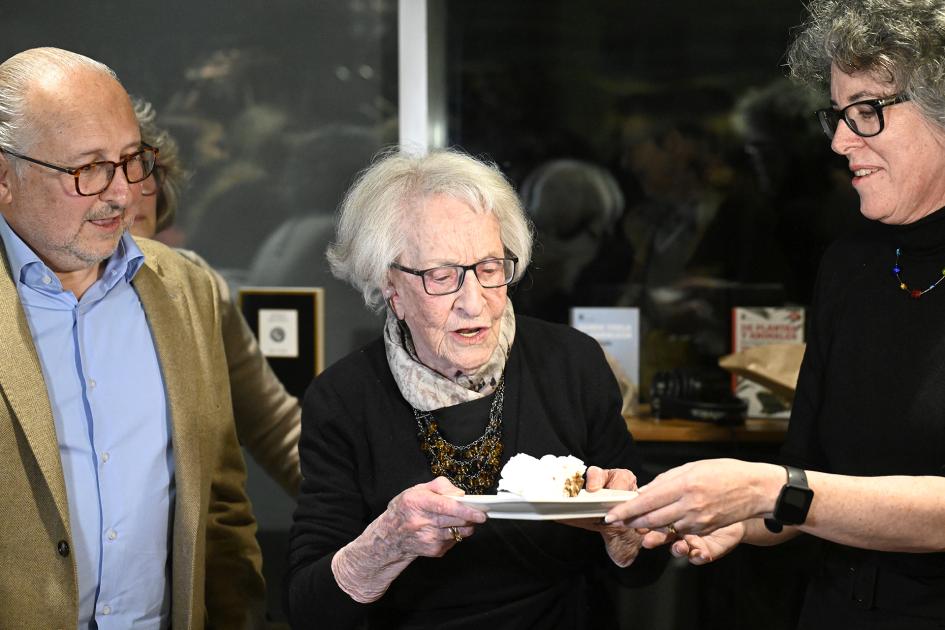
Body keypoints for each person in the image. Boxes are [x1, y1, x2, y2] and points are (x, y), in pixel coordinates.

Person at [605, 1, 945, 627]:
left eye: (867, 111)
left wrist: (773, 491)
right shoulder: (851, 267)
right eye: (838, 115)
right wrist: (709, 511)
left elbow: (798, 490)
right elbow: (806, 478)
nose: (841, 140)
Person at [286, 148, 660, 629]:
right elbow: (309, 609)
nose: (474, 303)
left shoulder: (572, 364)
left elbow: (646, 568)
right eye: (443, 277)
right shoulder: (344, 400)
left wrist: (629, 533)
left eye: (489, 269)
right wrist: (387, 544)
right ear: (391, 287)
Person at [0, 47, 265, 628]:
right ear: (5, 177)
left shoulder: (186, 289)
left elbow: (220, 507)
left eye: (130, 160)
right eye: (88, 168)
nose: (122, 193)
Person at [130, 96, 302, 496]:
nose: (132, 190)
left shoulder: (194, 283)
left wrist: (375, 511)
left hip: (184, 554)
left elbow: (276, 426)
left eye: (140, 166)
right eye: (100, 169)